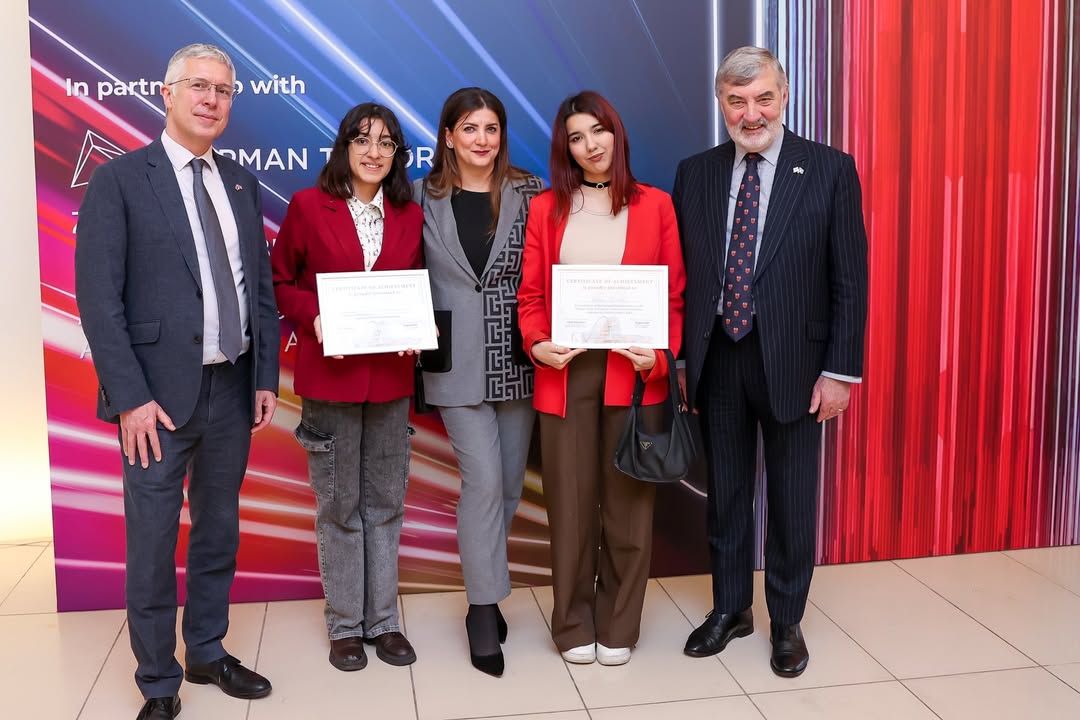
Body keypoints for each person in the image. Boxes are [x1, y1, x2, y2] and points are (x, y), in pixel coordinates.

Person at [74, 44, 279, 720]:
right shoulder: (122, 179)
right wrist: (129, 396)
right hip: (156, 401)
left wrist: (265, 374)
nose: (211, 99)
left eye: (224, 89)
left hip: (232, 390)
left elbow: (261, 291)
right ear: (166, 93)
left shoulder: (242, 183)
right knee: (154, 543)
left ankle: (208, 651)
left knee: (219, 530)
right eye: (198, 86)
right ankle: (158, 682)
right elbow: (98, 299)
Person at [674, 46, 868, 678]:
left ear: (784, 97)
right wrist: (680, 358)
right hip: (718, 361)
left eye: (762, 98)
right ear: (720, 104)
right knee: (725, 496)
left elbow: (850, 279)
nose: (750, 113)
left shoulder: (831, 169)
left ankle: (787, 621)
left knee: (790, 499)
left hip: (798, 365)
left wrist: (840, 371)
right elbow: (685, 276)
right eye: (736, 101)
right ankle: (730, 609)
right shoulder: (695, 173)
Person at [518, 90, 686, 667]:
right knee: (568, 507)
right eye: (576, 137)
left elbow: (674, 298)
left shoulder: (656, 206)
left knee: (628, 508)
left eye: (599, 131)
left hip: (632, 375)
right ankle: (571, 624)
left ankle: (619, 624)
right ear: (566, 149)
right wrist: (539, 343)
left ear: (616, 132)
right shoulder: (545, 209)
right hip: (565, 375)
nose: (591, 145)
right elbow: (532, 296)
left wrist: (658, 358)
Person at [271, 103, 422, 672]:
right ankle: (344, 626)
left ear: (397, 155)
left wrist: (416, 328)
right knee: (339, 508)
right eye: (363, 140)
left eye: (386, 142)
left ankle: (383, 622)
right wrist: (315, 316)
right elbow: (281, 280)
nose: (374, 151)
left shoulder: (410, 213)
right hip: (329, 381)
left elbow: (420, 286)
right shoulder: (311, 206)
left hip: (390, 380)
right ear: (344, 147)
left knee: (384, 504)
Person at [414, 87, 544, 677]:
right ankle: (482, 608)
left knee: (510, 488)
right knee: (484, 482)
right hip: (454, 359)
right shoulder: (421, 196)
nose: (482, 141)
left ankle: (487, 590)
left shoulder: (530, 191)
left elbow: (548, 268)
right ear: (448, 136)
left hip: (518, 356)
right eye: (470, 129)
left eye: (491, 129)